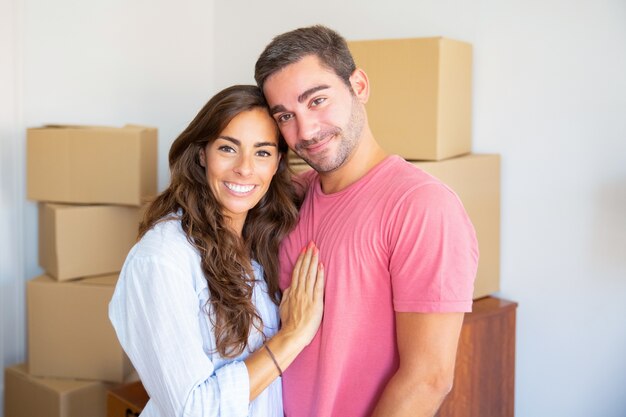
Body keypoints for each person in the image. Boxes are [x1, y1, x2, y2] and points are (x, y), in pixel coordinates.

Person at [254, 25, 479, 417]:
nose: (305, 131)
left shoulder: (421, 206)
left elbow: (428, 379)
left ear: (358, 86)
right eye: (286, 115)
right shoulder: (291, 196)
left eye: (317, 100)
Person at [109, 85, 325, 417]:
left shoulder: (259, 244)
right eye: (228, 148)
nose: (245, 168)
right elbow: (193, 410)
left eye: (262, 153)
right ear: (201, 155)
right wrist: (293, 336)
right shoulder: (162, 258)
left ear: (277, 163)